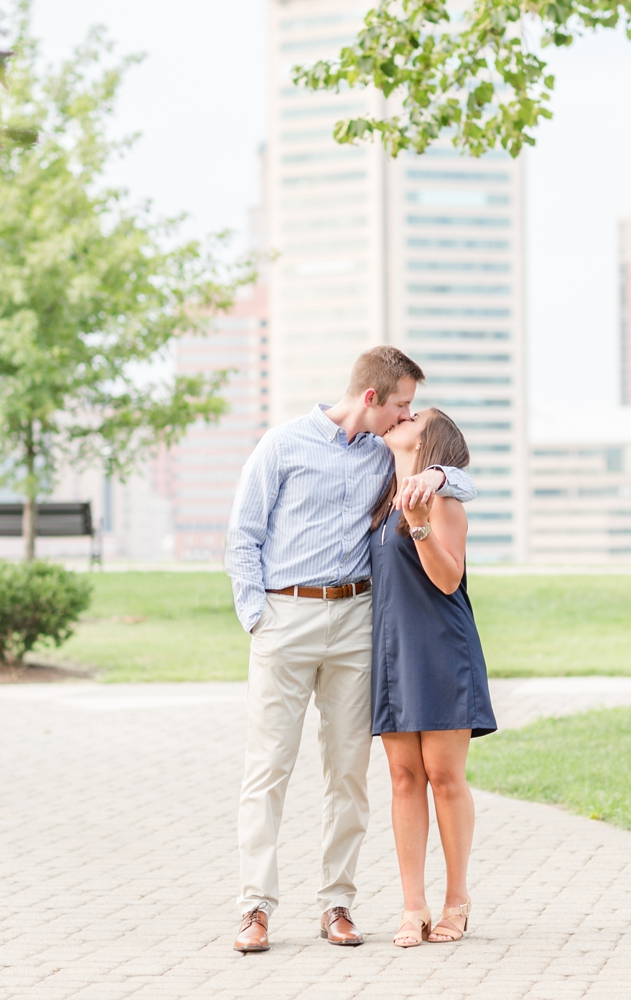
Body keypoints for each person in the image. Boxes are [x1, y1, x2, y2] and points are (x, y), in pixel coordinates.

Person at [223, 347, 476, 954]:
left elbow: (459, 473)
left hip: (358, 623)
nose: (404, 416)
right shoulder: (282, 444)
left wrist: (439, 475)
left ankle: (336, 903)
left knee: (349, 773)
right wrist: (257, 616)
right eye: (402, 405)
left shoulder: (388, 458)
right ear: (372, 398)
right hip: (286, 617)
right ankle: (255, 909)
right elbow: (242, 534)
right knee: (269, 768)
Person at [368, 407, 496, 948]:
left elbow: (448, 579)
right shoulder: (379, 499)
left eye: (415, 415)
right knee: (402, 778)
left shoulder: (443, 502)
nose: (403, 416)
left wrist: (419, 524)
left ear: (431, 440)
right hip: (394, 651)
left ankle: (457, 900)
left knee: (444, 777)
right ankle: (412, 905)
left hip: (442, 648)